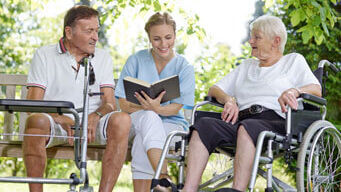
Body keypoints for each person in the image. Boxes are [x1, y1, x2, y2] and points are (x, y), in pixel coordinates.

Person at [182, 15, 321, 192]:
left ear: (275, 41)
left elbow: (316, 89)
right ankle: (189, 189)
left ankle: (237, 190)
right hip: (240, 120)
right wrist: (229, 100)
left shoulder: (293, 61)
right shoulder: (247, 66)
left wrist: (295, 91)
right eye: (251, 36)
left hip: (276, 121)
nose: (250, 41)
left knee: (248, 127)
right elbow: (214, 89)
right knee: (204, 125)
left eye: (257, 37)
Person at [23, 5, 131, 192]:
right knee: (35, 120)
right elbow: (34, 105)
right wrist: (64, 119)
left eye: (97, 31)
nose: (95, 37)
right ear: (69, 32)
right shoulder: (44, 55)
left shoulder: (103, 57)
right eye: (89, 31)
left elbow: (110, 104)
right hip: (56, 123)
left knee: (122, 120)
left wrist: (95, 116)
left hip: (92, 125)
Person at [115, 12, 195, 192]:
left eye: (168, 37)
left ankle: (160, 183)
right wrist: (148, 108)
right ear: (149, 38)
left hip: (172, 124)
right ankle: (163, 178)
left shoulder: (184, 67)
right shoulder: (136, 60)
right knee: (149, 117)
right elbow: (123, 104)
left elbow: (176, 108)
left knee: (142, 142)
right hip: (137, 119)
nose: (163, 44)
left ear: (175, 35)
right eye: (156, 39)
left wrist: (156, 109)